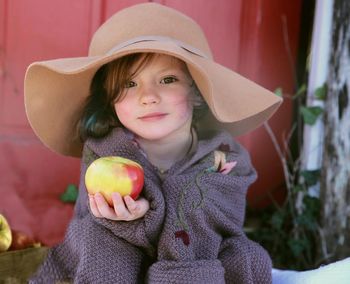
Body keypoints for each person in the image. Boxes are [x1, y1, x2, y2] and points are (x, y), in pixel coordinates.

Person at [24, 3, 282, 283]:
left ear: (196, 93)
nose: (148, 96)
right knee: (97, 241)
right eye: (129, 84)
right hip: (119, 248)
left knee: (248, 257)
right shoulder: (103, 154)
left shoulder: (225, 157)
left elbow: (218, 217)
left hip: (199, 252)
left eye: (167, 79)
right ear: (110, 101)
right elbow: (91, 219)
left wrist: (154, 210)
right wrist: (132, 220)